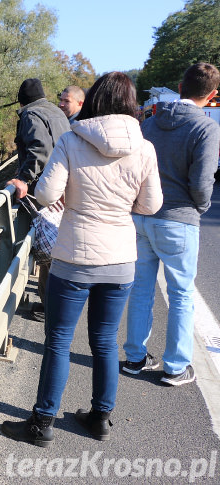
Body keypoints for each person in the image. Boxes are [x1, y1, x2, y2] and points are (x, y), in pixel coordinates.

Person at [1, 72, 163, 446]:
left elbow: (46, 194)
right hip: (121, 259)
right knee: (105, 341)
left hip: (75, 257)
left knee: (58, 339)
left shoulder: (74, 140)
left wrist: (71, 199)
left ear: (93, 101)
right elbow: (151, 204)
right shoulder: (144, 147)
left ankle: (42, 424)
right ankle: (100, 419)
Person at [122, 62, 220, 386]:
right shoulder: (205, 128)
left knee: (141, 289)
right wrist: (200, 207)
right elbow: (203, 181)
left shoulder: (149, 124)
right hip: (178, 219)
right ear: (213, 94)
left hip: (142, 217)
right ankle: (176, 367)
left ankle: (135, 358)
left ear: (180, 87)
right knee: (181, 294)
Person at [7, 78, 70, 322]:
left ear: (22, 101)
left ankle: (51, 308)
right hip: (63, 186)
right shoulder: (57, 112)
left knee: (47, 247)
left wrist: (23, 178)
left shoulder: (30, 114)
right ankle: (52, 305)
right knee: (55, 245)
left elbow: (39, 149)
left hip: (43, 189)